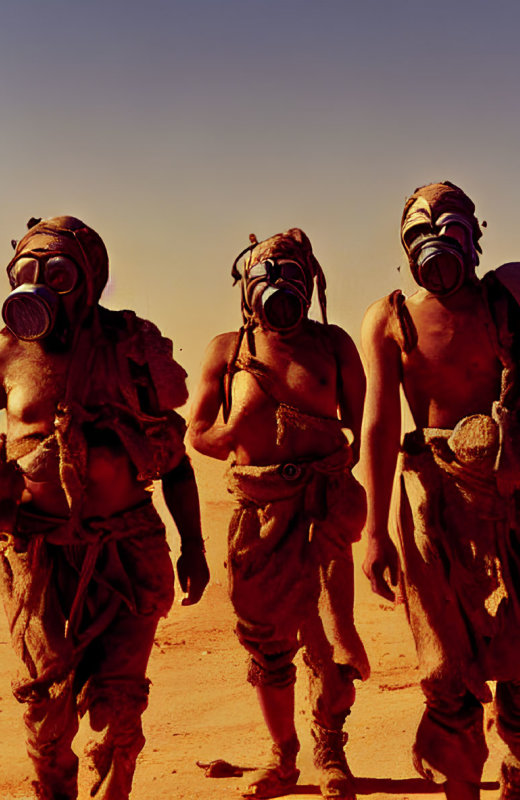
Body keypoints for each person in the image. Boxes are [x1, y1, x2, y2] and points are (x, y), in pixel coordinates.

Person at [0, 216, 210, 800]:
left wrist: (194, 545)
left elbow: (174, 455)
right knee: (46, 710)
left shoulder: (131, 346)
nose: (41, 287)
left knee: (120, 707)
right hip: (39, 557)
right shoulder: (4, 353)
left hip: (129, 551)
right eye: (27, 272)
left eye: (57, 274)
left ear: (89, 282)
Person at [360, 181, 520, 800]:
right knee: (446, 679)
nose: (437, 243)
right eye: (420, 233)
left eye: (452, 229)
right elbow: (381, 427)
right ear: (404, 246)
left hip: (511, 506)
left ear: (474, 237)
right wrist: (375, 531)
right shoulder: (389, 320)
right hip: (430, 515)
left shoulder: (516, 308)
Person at [189, 228, 369, 800]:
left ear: (311, 283)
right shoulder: (226, 350)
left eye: (291, 274)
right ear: (246, 288)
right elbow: (198, 432)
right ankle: (283, 758)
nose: (278, 287)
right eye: (265, 275)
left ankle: (330, 751)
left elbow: (362, 429)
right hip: (257, 516)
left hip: (323, 514)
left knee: (329, 639)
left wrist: (322, 474)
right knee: (268, 643)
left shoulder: (335, 344)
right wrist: (240, 436)